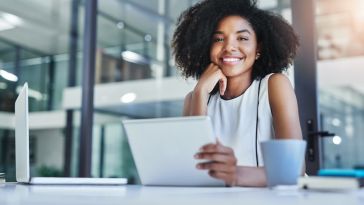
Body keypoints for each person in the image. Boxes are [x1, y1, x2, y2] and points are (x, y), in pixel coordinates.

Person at [172, 0, 303, 187]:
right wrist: (200, 92)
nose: (229, 47)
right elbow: (193, 169)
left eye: (242, 38)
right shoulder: (194, 98)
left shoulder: (274, 85)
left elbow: (294, 169)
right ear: (206, 47)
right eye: (218, 39)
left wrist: (235, 174)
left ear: (258, 49)